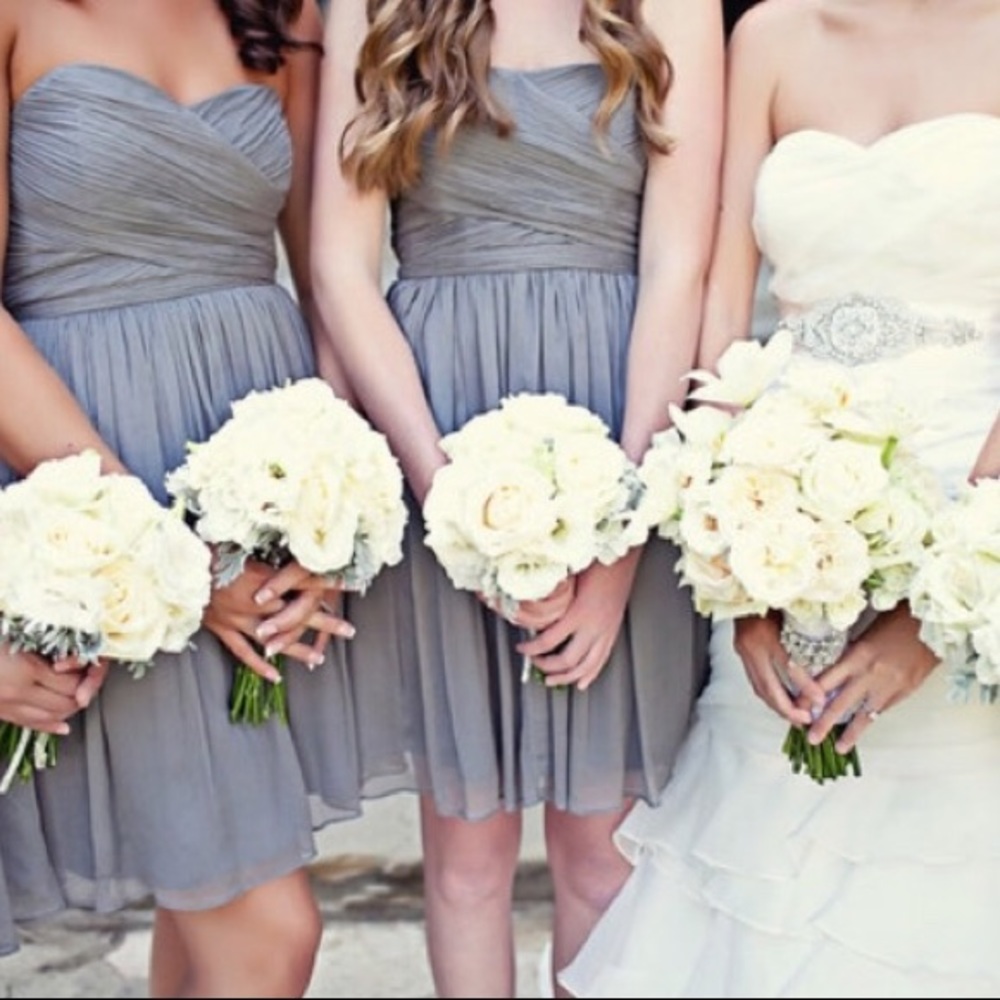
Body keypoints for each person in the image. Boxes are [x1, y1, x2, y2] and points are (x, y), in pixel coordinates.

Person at [560, 0, 1000, 996]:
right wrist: (738, 571)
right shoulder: (767, 36)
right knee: (771, 894)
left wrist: (941, 611)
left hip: (973, 508)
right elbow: (721, 305)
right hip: (782, 518)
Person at [308, 1, 724, 995]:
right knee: (465, 853)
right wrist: (441, 492)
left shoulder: (674, 7)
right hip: (436, 424)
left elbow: (678, 265)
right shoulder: (374, 9)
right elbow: (338, 264)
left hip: (623, 420)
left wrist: (624, 529)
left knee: (600, 848)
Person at [0, 2, 376, 995]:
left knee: (209, 880)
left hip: (252, 496)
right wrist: (167, 560)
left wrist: (333, 500)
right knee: (267, 928)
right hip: (91, 489)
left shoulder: (275, 13)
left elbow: (325, 275)